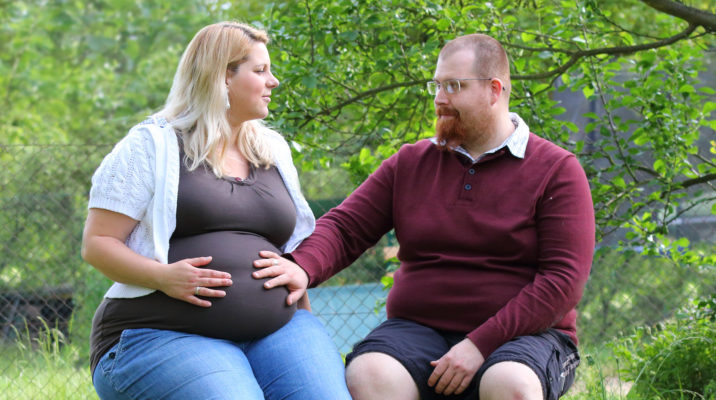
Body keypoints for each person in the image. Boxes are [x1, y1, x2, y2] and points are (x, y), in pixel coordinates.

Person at [253, 33, 595, 400]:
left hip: (525, 338)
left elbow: (562, 282)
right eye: (436, 85)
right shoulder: (411, 163)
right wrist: (302, 266)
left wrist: (479, 344)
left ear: (494, 90)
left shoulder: (556, 169)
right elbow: (345, 227)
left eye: (453, 86)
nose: (439, 99)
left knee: (511, 385)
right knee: (369, 374)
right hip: (418, 330)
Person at [81, 21, 351, 400]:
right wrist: (163, 277)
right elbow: (98, 243)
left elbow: (289, 247)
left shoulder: (272, 149)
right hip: (160, 332)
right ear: (223, 76)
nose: (273, 82)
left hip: (277, 330)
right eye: (261, 71)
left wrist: (301, 301)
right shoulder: (152, 144)